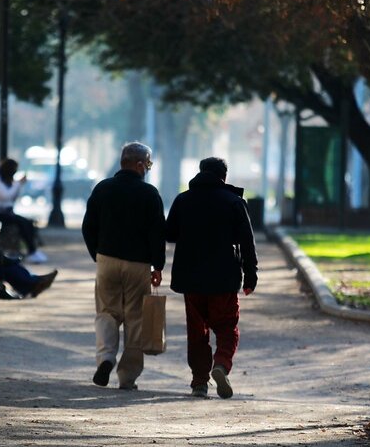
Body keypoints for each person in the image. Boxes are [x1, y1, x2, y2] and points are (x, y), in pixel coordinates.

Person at [164, 157, 258, 399]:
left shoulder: (183, 199)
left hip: (191, 279)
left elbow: (170, 233)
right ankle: (221, 364)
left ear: (201, 172)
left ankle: (199, 382)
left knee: (197, 332)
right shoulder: (234, 202)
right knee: (227, 327)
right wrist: (250, 276)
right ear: (223, 176)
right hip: (223, 278)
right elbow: (247, 242)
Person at [82, 142, 165, 390]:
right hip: (138, 265)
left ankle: (105, 358)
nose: (149, 169)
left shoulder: (103, 189)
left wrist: (98, 254)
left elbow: (88, 226)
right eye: (148, 164)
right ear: (139, 165)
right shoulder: (150, 194)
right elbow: (157, 234)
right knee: (135, 319)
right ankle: (127, 376)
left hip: (107, 260)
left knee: (107, 313)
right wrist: (157, 266)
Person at [0, 159, 48, 264]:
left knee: (28, 222)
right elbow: (5, 196)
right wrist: (18, 184)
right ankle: (31, 251)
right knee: (22, 222)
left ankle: (32, 250)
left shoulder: (5, 179)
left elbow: (11, 199)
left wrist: (18, 185)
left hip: (4, 212)